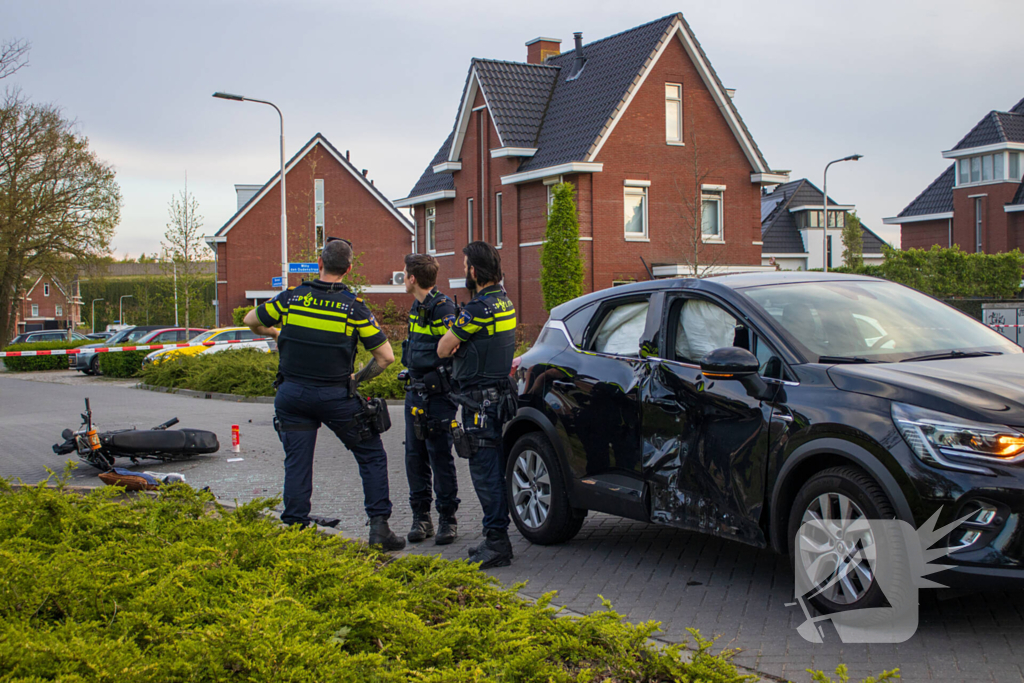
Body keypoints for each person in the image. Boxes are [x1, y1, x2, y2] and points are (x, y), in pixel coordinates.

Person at [244, 238, 405, 551]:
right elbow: (386, 357)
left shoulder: (291, 298)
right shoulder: (354, 307)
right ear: (348, 269)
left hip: (291, 395)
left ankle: (293, 526)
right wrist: (357, 378)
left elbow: (251, 321)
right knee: (371, 454)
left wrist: (276, 332)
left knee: (298, 462)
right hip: (335, 396)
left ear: (319, 264)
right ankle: (379, 529)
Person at [437, 241, 517, 568]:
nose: (464, 270)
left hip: (480, 402)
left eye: (465, 264)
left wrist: (455, 337)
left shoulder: (478, 309)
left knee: (485, 473)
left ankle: (497, 542)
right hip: (499, 397)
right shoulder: (504, 302)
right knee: (494, 469)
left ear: (473, 270)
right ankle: (494, 537)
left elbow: (444, 348)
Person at [399, 253, 460, 545]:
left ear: (413, 278)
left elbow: (452, 349)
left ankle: (448, 518)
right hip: (415, 393)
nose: (403, 277)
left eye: (404, 273)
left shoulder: (442, 308)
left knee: (440, 456)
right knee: (415, 457)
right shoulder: (417, 306)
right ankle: (421, 518)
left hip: (438, 396)